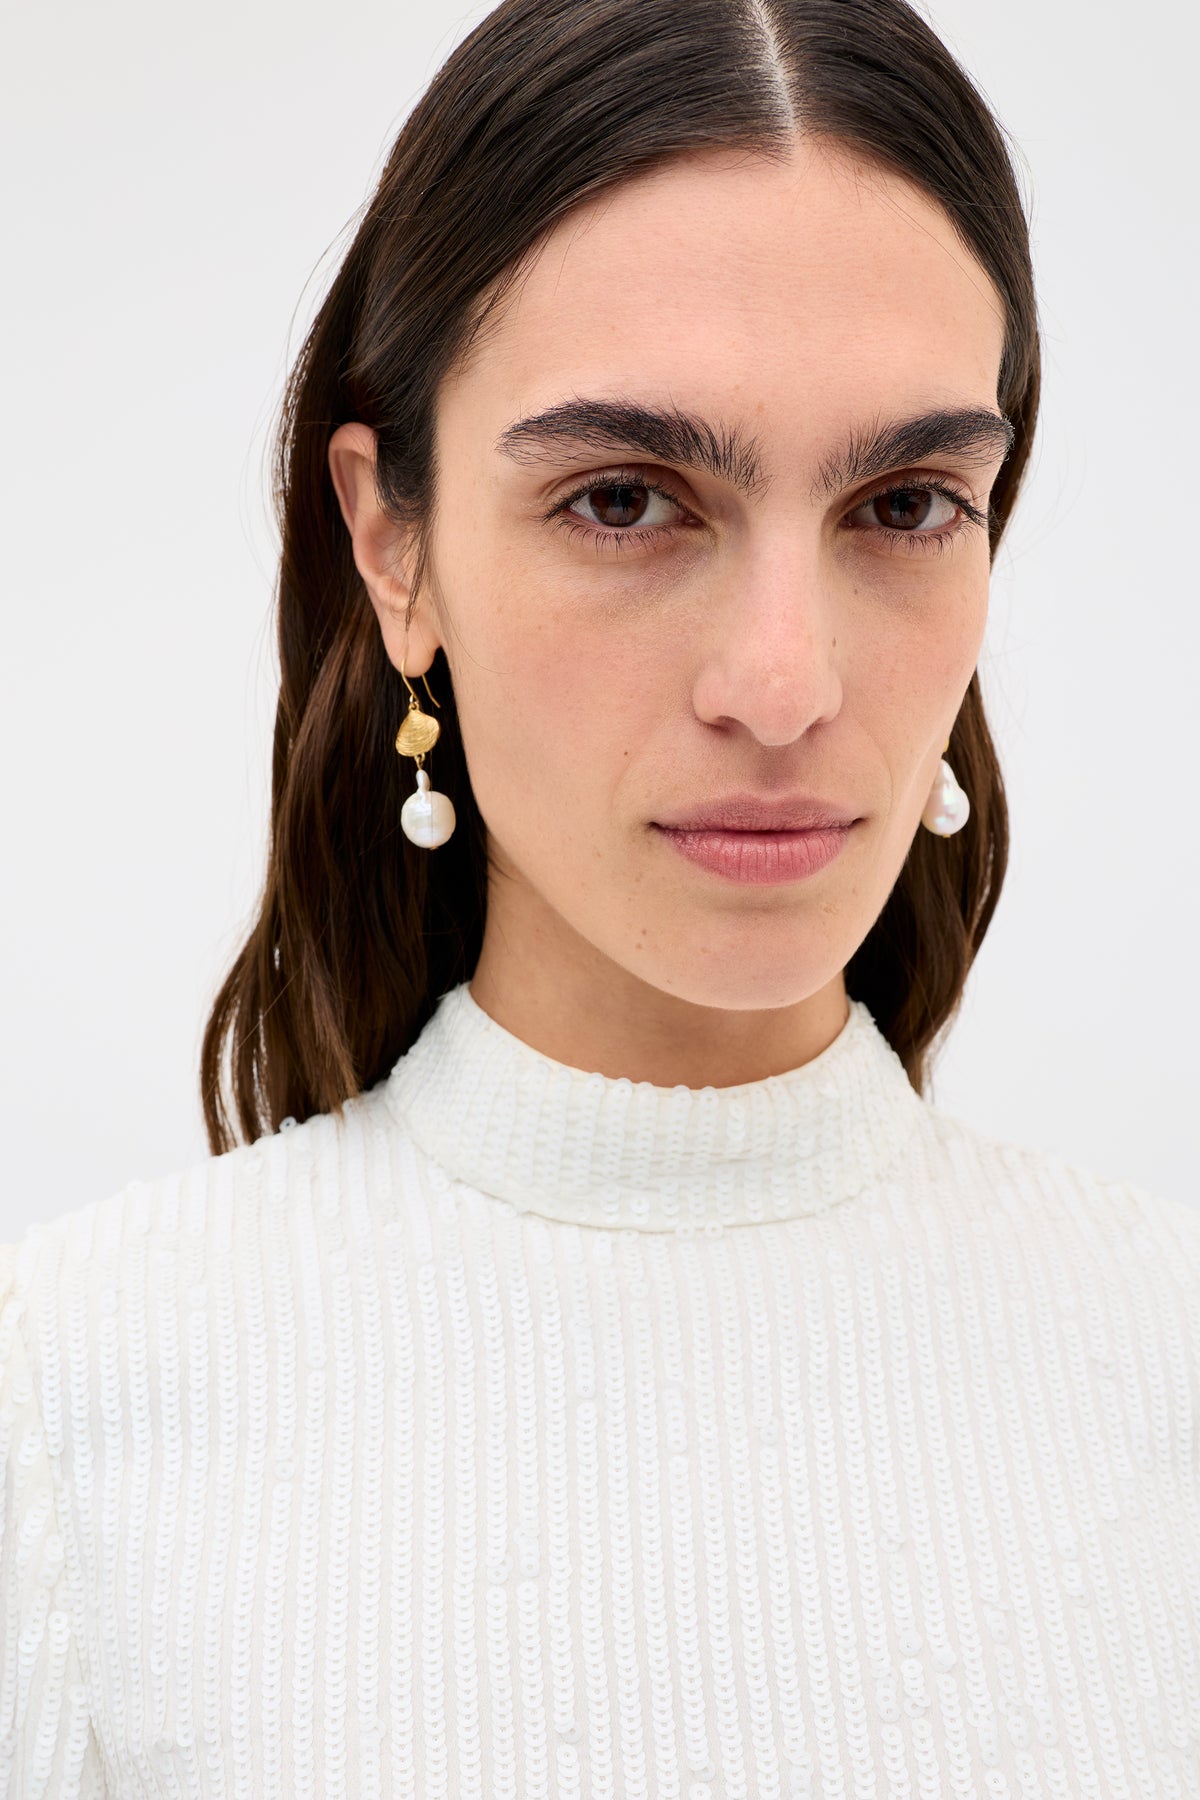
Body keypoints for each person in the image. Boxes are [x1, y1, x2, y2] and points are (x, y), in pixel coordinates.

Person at [3, 0, 1197, 1792]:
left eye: (906, 502)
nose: (782, 685)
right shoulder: (66, 1412)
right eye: (628, 501)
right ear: (391, 543)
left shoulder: (1162, 1364)